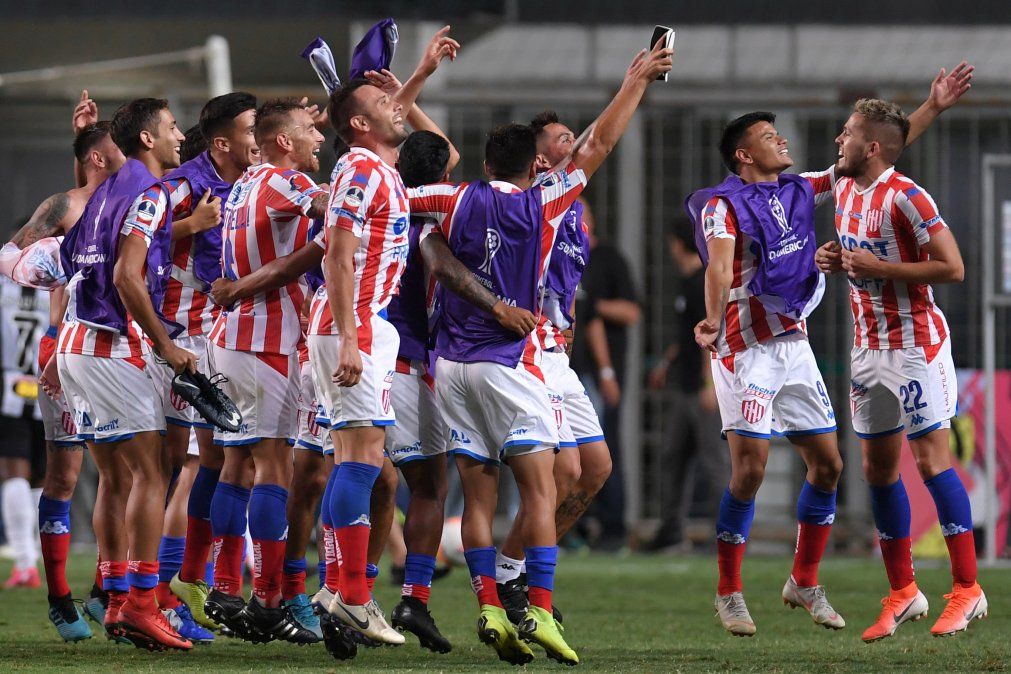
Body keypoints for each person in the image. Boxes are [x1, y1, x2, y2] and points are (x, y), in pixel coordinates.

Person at [408, 41, 672, 665]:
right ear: (536, 158)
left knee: (538, 482)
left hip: (461, 365)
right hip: (514, 360)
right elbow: (600, 145)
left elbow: (406, 196)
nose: (569, 142)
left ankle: (492, 599)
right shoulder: (546, 201)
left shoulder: (455, 198)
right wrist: (635, 81)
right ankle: (534, 603)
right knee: (548, 483)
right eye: (557, 138)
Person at [687, 62, 973, 638]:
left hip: (795, 344)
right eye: (770, 136)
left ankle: (804, 578)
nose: (783, 139)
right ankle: (729, 591)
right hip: (744, 348)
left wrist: (933, 107)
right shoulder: (722, 204)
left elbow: (873, 154)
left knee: (829, 464)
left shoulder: (803, 187)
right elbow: (718, 266)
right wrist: (713, 319)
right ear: (744, 155)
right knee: (751, 472)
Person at [308, 26, 458, 648]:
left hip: (367, 328)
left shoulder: (380, 166)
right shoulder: (362, 170)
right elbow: (336, 258)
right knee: (361, 463)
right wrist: (349, 338)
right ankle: (350, 594)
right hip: (355, 328)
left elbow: (419, 135)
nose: (396, 109)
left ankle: (341, 590)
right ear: (361, 127)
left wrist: (417, 75)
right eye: (382, 108)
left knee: (360, 463)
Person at [815, 97, 986, 641]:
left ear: (869, 148)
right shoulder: (842, 185)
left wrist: (881, 266)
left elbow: (953, 267)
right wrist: (833, 257)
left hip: (916, 347)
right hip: (868, 351)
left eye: (846, 133)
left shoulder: (907, 197)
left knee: (932, 462)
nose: (837, 140)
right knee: (877, 470)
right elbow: (892, 133)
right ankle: (905, 591)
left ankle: (967, 590)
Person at [57, 97, 193, 651]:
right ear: (147, 140)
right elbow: (127, 277)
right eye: (172, 127)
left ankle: (116, 598)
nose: (180, 136)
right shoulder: (148, 192)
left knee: (115, 476)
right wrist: (165, 345)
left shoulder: (111, 185)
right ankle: (140, 601)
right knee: (149, 475)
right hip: (111, 346)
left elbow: (76, 263)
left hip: (77, 342)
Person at [201, 98, 327, 645]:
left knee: (236, 466)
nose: (317, 138)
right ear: (282, 143)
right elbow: (338, 207)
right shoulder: (282, 181)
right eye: (308, 132)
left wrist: (309, 130)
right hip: (265, 341)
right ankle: (269, 598)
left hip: (233, 339)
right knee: (274, 467)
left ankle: (227, 587)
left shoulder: (249, 182)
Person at [154, 92, 258, 643]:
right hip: (181, 337)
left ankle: (200, 587)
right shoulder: (183, 185)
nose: (258, 136)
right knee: (183, 468)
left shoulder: (250, 178)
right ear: (221, 141)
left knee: (219, 462)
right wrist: (192, 224)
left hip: (223, 336)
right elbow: (133, 239)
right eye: (251, 127)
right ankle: (157, 594)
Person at [645, 216, 727, 552]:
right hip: (685, 386)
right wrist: (668, 362)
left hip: (701, 389)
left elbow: (713, 335)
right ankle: (673, 530)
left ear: (678, 244)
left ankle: (727, 534)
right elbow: (690, 335)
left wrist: (710, 385)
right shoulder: (688, 281)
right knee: (673, 455)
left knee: (714, 462)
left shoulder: (701, 283)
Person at [568, 199, 640, 549]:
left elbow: (629, 312)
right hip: (559, 370)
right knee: (560, 453)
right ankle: (572, 529)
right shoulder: (558, 255)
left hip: (595, 372)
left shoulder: (609, 260)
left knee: (602, 448)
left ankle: (612, 528)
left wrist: (608, 371)